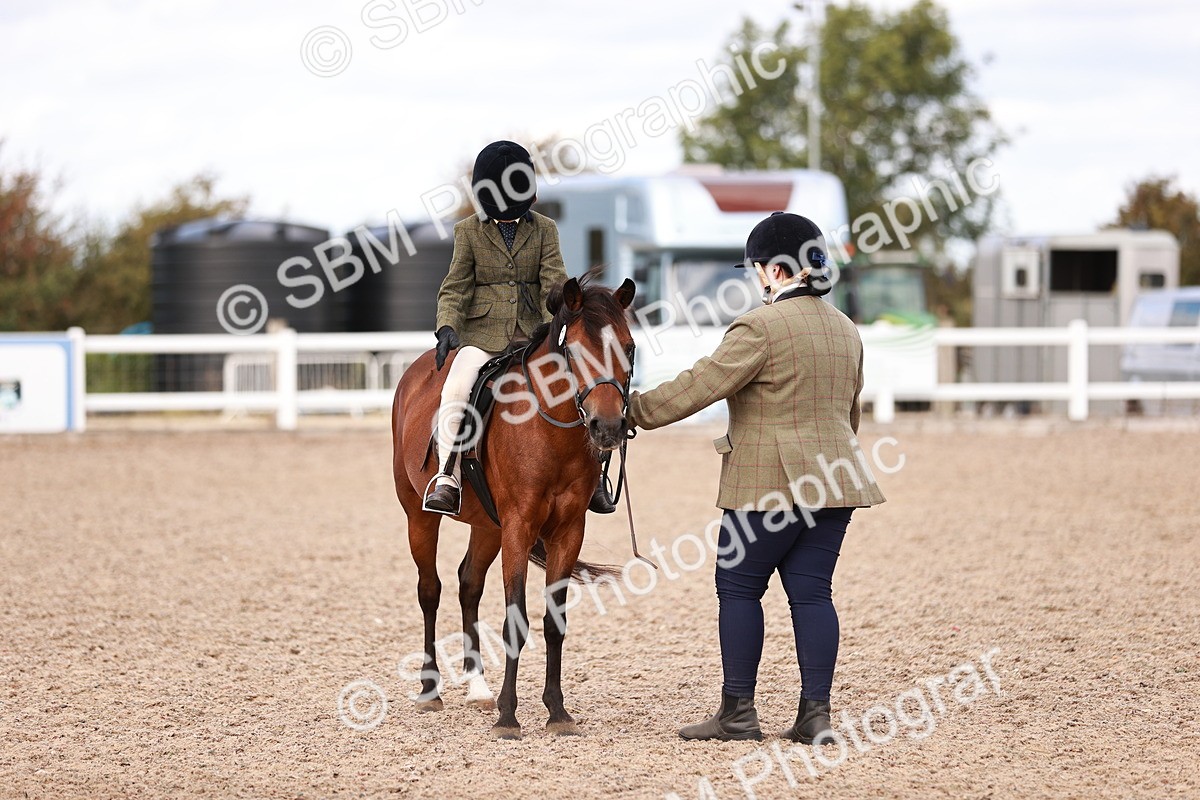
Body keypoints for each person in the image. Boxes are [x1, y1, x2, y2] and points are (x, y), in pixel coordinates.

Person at [627, 212, 886, 743]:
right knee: (813, 595)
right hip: (837, 482)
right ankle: (816, 717)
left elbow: (703, 384)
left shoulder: (759, 326)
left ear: (771, 269)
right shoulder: (845, 329)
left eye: (756, 269)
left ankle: (738, 714)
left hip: (768, 484)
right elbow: (850, 412)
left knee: (739, 589)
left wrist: (634, 411)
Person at [424, 140, 617, 515]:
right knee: (457, 386)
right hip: (485, 335)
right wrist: (447, 326)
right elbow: (456, 286)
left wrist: (567, 299)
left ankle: (593, 476)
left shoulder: (544, 228)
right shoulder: (469, 231)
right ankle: (447, 476)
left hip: (536, 331)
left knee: (586, 383)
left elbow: (553, 278)